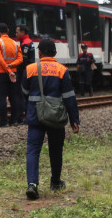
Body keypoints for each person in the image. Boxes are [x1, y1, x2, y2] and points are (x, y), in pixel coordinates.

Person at [21, 38, 80, 200]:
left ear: (39, 53)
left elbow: (24, 92)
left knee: (33, 150)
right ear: (54, 53)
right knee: (55, 149)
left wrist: (26, 110)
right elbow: (69, 97)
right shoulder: (62, 70)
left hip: (35, 116)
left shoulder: (30, 69)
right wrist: (74, 119)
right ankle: (55, 182)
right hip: (55, 117)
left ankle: (32, 185)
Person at [0, 23, 23, 127]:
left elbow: (0, 58)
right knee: (13, 96)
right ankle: (14, 120)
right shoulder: (15, 43)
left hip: (2, 73)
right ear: (8, 30)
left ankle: (3, 121)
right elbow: (20, 59)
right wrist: (12, 66)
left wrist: (7, 68)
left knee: (2, 97)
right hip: (14, 73)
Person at [14, 25, 34, 123]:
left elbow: (23, 61)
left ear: (23, 32)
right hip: (29, 71)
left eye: (17, 32)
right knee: (26, 95)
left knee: (21, 95)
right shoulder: (29, 42)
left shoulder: (25, 44)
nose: (16, 34)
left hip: (24, 73)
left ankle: (21, 118)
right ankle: (26, 116)